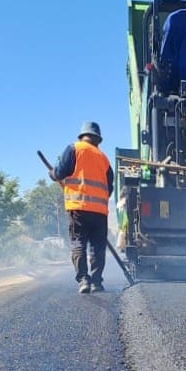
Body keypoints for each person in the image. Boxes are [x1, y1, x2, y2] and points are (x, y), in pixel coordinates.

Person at [49, 121, 114, 293]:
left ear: (83, 136)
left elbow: (59, 172)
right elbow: (110, 188)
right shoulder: (104, 158)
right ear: (98, 139)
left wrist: (52, 174)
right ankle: (96, 282)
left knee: (78, 243)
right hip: (99, 211)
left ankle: (84, 279)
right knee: (98, 247)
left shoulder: (73, 149)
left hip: (78, 208)